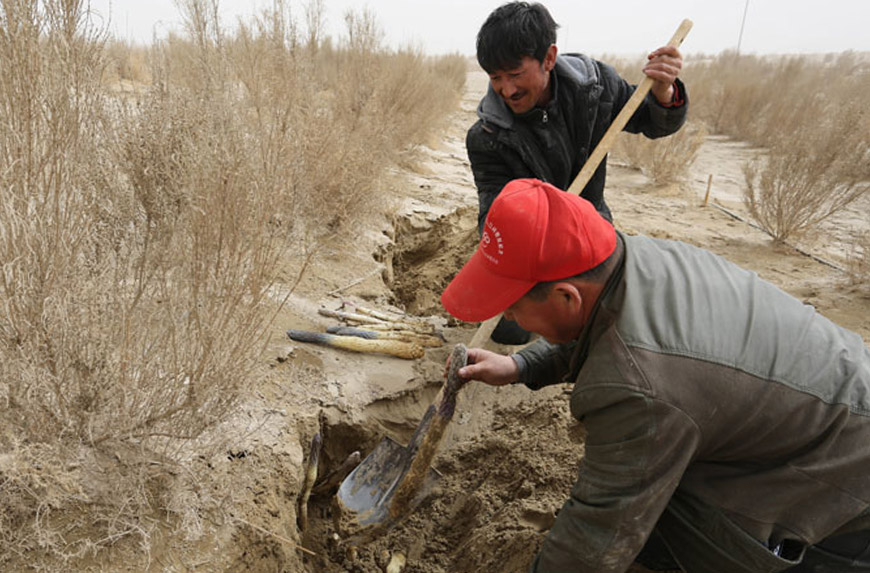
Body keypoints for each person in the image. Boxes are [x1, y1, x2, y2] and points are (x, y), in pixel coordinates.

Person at [441, 178, 870, 573]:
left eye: (513, 307)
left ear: (567, 296)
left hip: (846, 473)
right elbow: (608, 328)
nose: (510, 316)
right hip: (833, 399)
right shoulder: (633, 259)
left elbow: (596, 534)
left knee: (668, 526)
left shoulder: (638, 386)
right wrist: (521, 365)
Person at [468, 1, 688, 344]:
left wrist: (664, 91)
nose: (506, 90)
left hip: (593, 228)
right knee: (510, 328)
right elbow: (492, 214)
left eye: (515, 75)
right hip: (532, 247)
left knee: (612, 317)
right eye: (495, 78)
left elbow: (652, 120)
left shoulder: (596, 87)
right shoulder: (487, 137)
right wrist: (529, 245)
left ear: (549, 58)